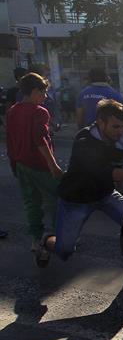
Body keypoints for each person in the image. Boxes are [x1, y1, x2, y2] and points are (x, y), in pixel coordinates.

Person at [35, 100, 123, 267]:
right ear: (100, 122)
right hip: (76, 199)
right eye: (115, 126)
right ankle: (46, 241)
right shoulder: (84, 139)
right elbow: (105, 173)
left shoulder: (121, 137)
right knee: (64, 250)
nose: (120, 131)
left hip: (105, 194)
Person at [5, 72, 61, 252]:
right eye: (43, 92)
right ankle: (58, 237)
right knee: (55, 199)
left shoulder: (13, 110)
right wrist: (54, 166)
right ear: (35, 91)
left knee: (31, 203)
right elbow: (40, 140)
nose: (45, 97)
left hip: (21, 163)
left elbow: (10, 139)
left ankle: (35, 240)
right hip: (39, 164)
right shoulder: (39, 112)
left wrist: (14, 163)